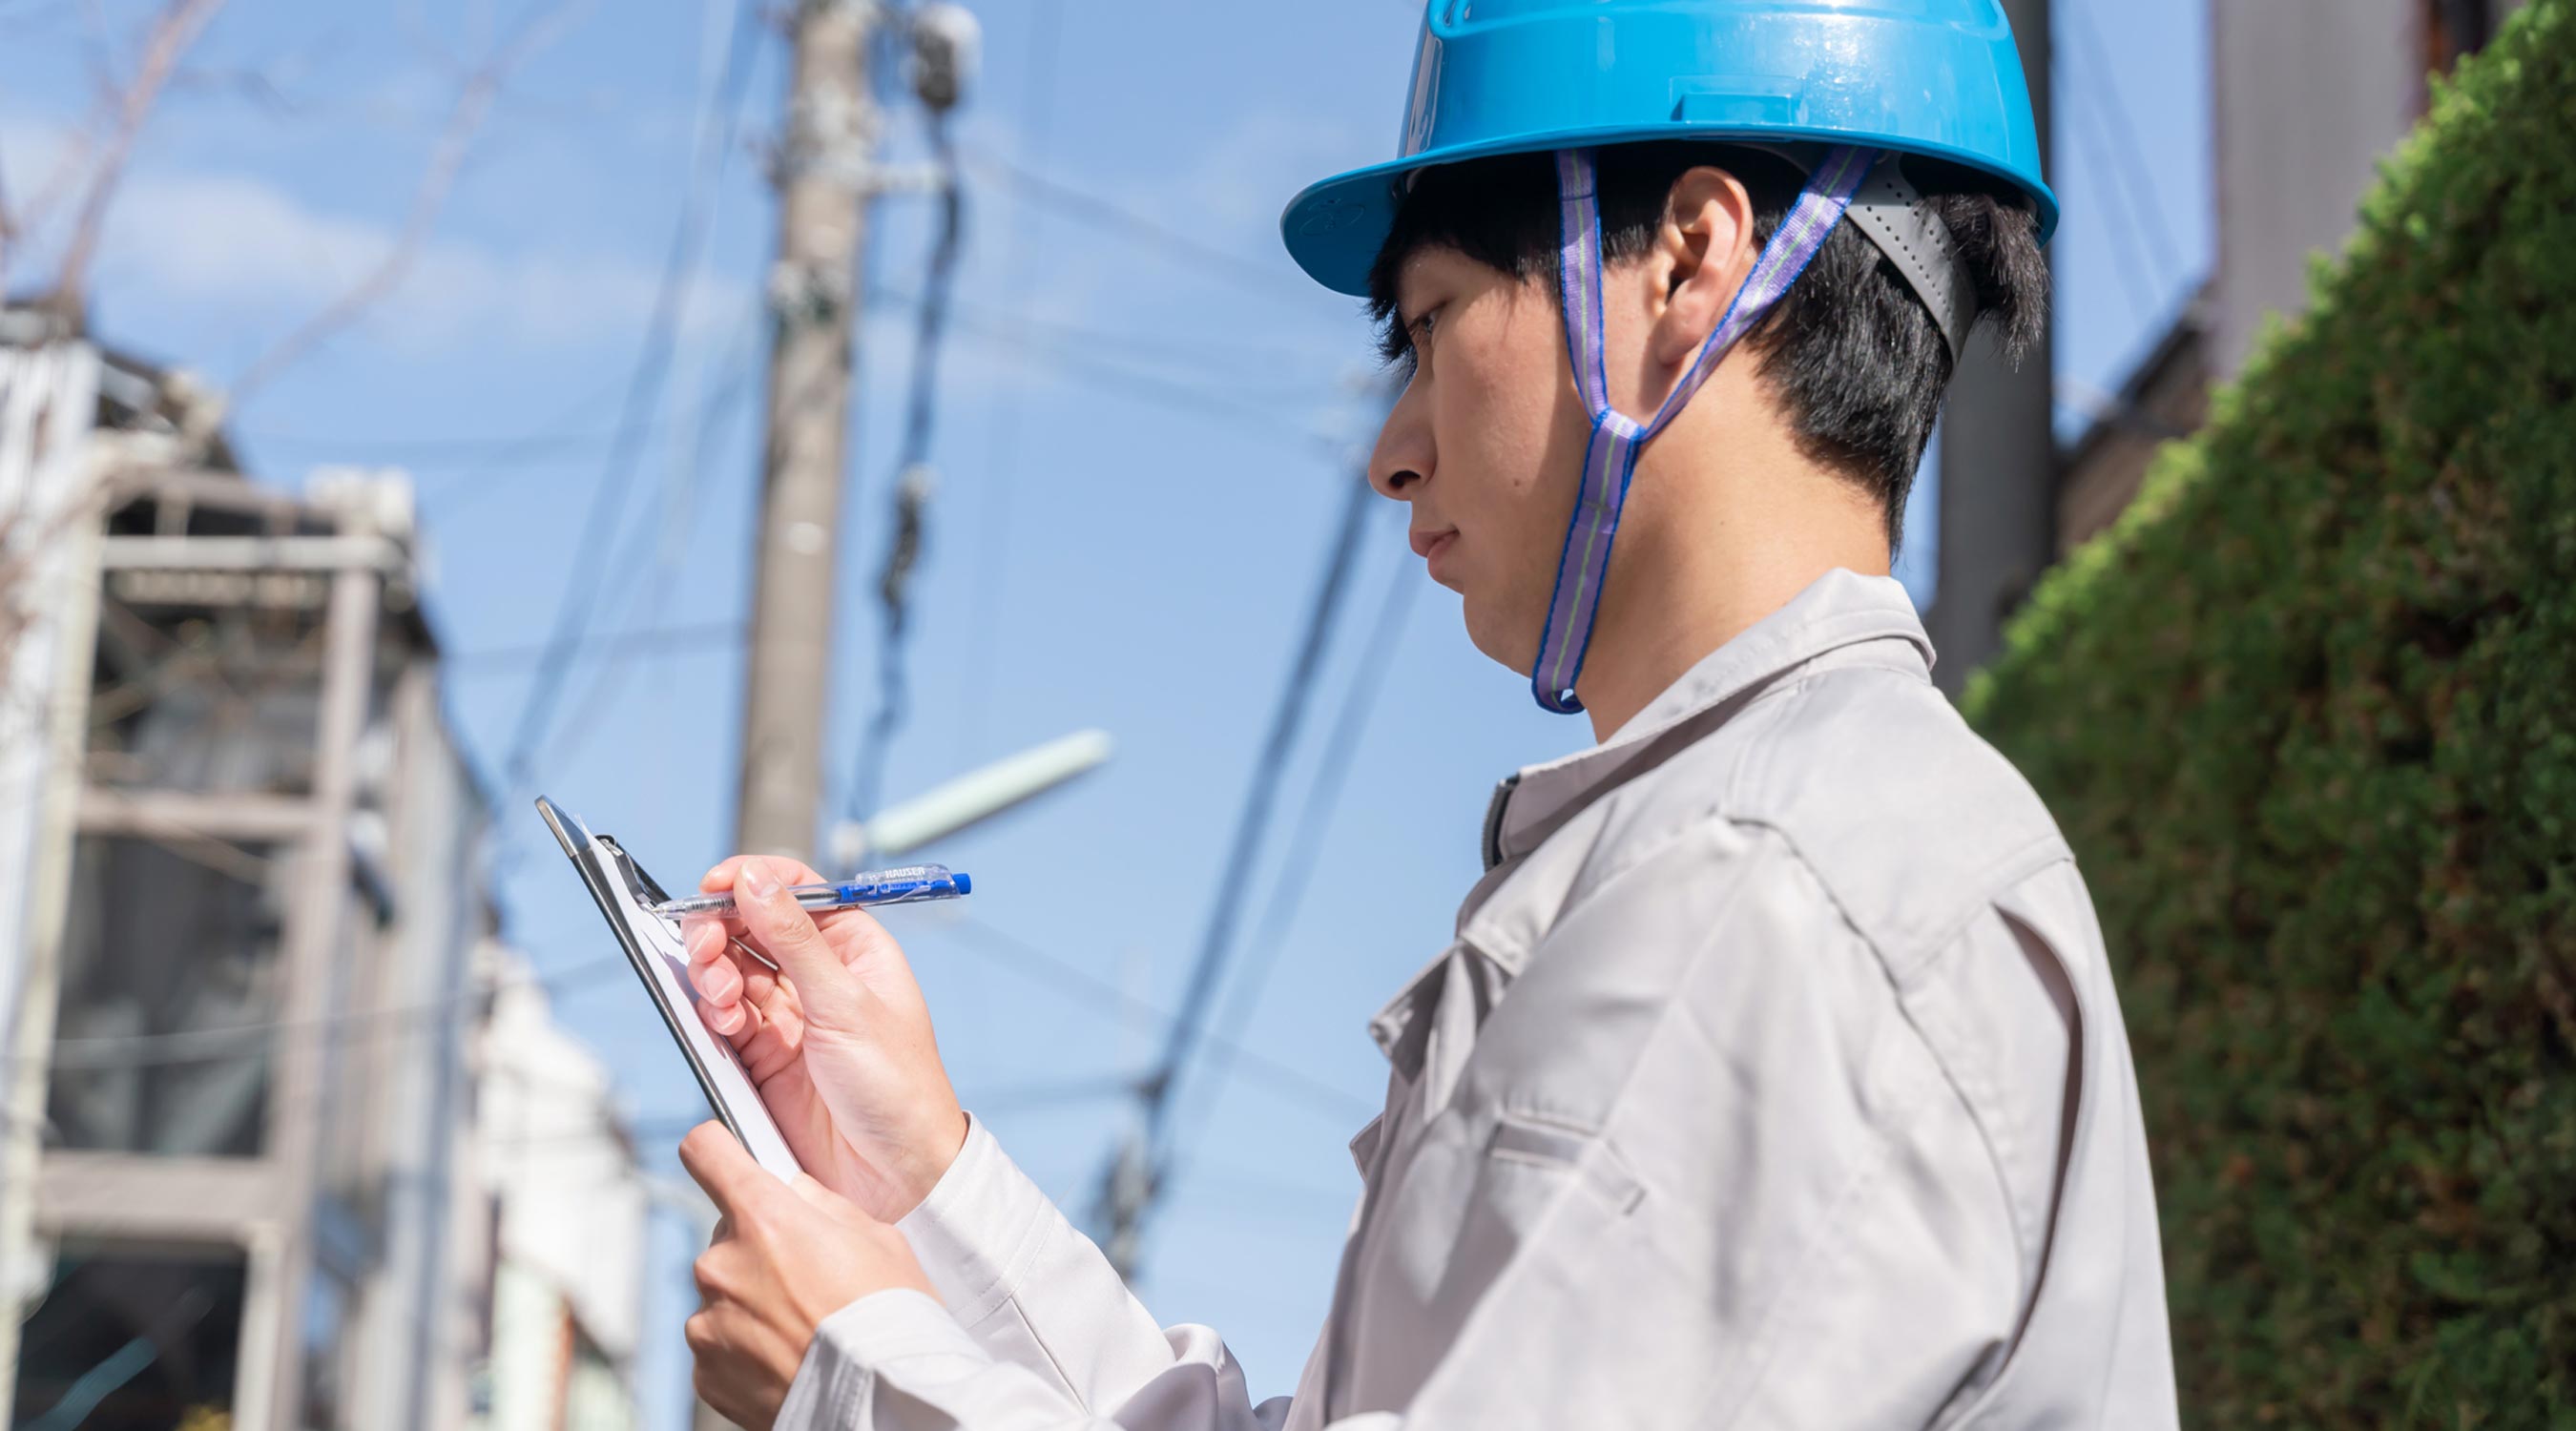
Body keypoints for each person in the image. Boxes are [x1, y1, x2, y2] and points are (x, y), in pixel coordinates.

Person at [672, 2, 2181, 1427]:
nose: (1392, 450)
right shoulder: (1775, 843)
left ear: (1693, 261)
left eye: (1432, 318)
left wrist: (856, 1381)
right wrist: (919, 1176)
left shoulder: (1774, 885)